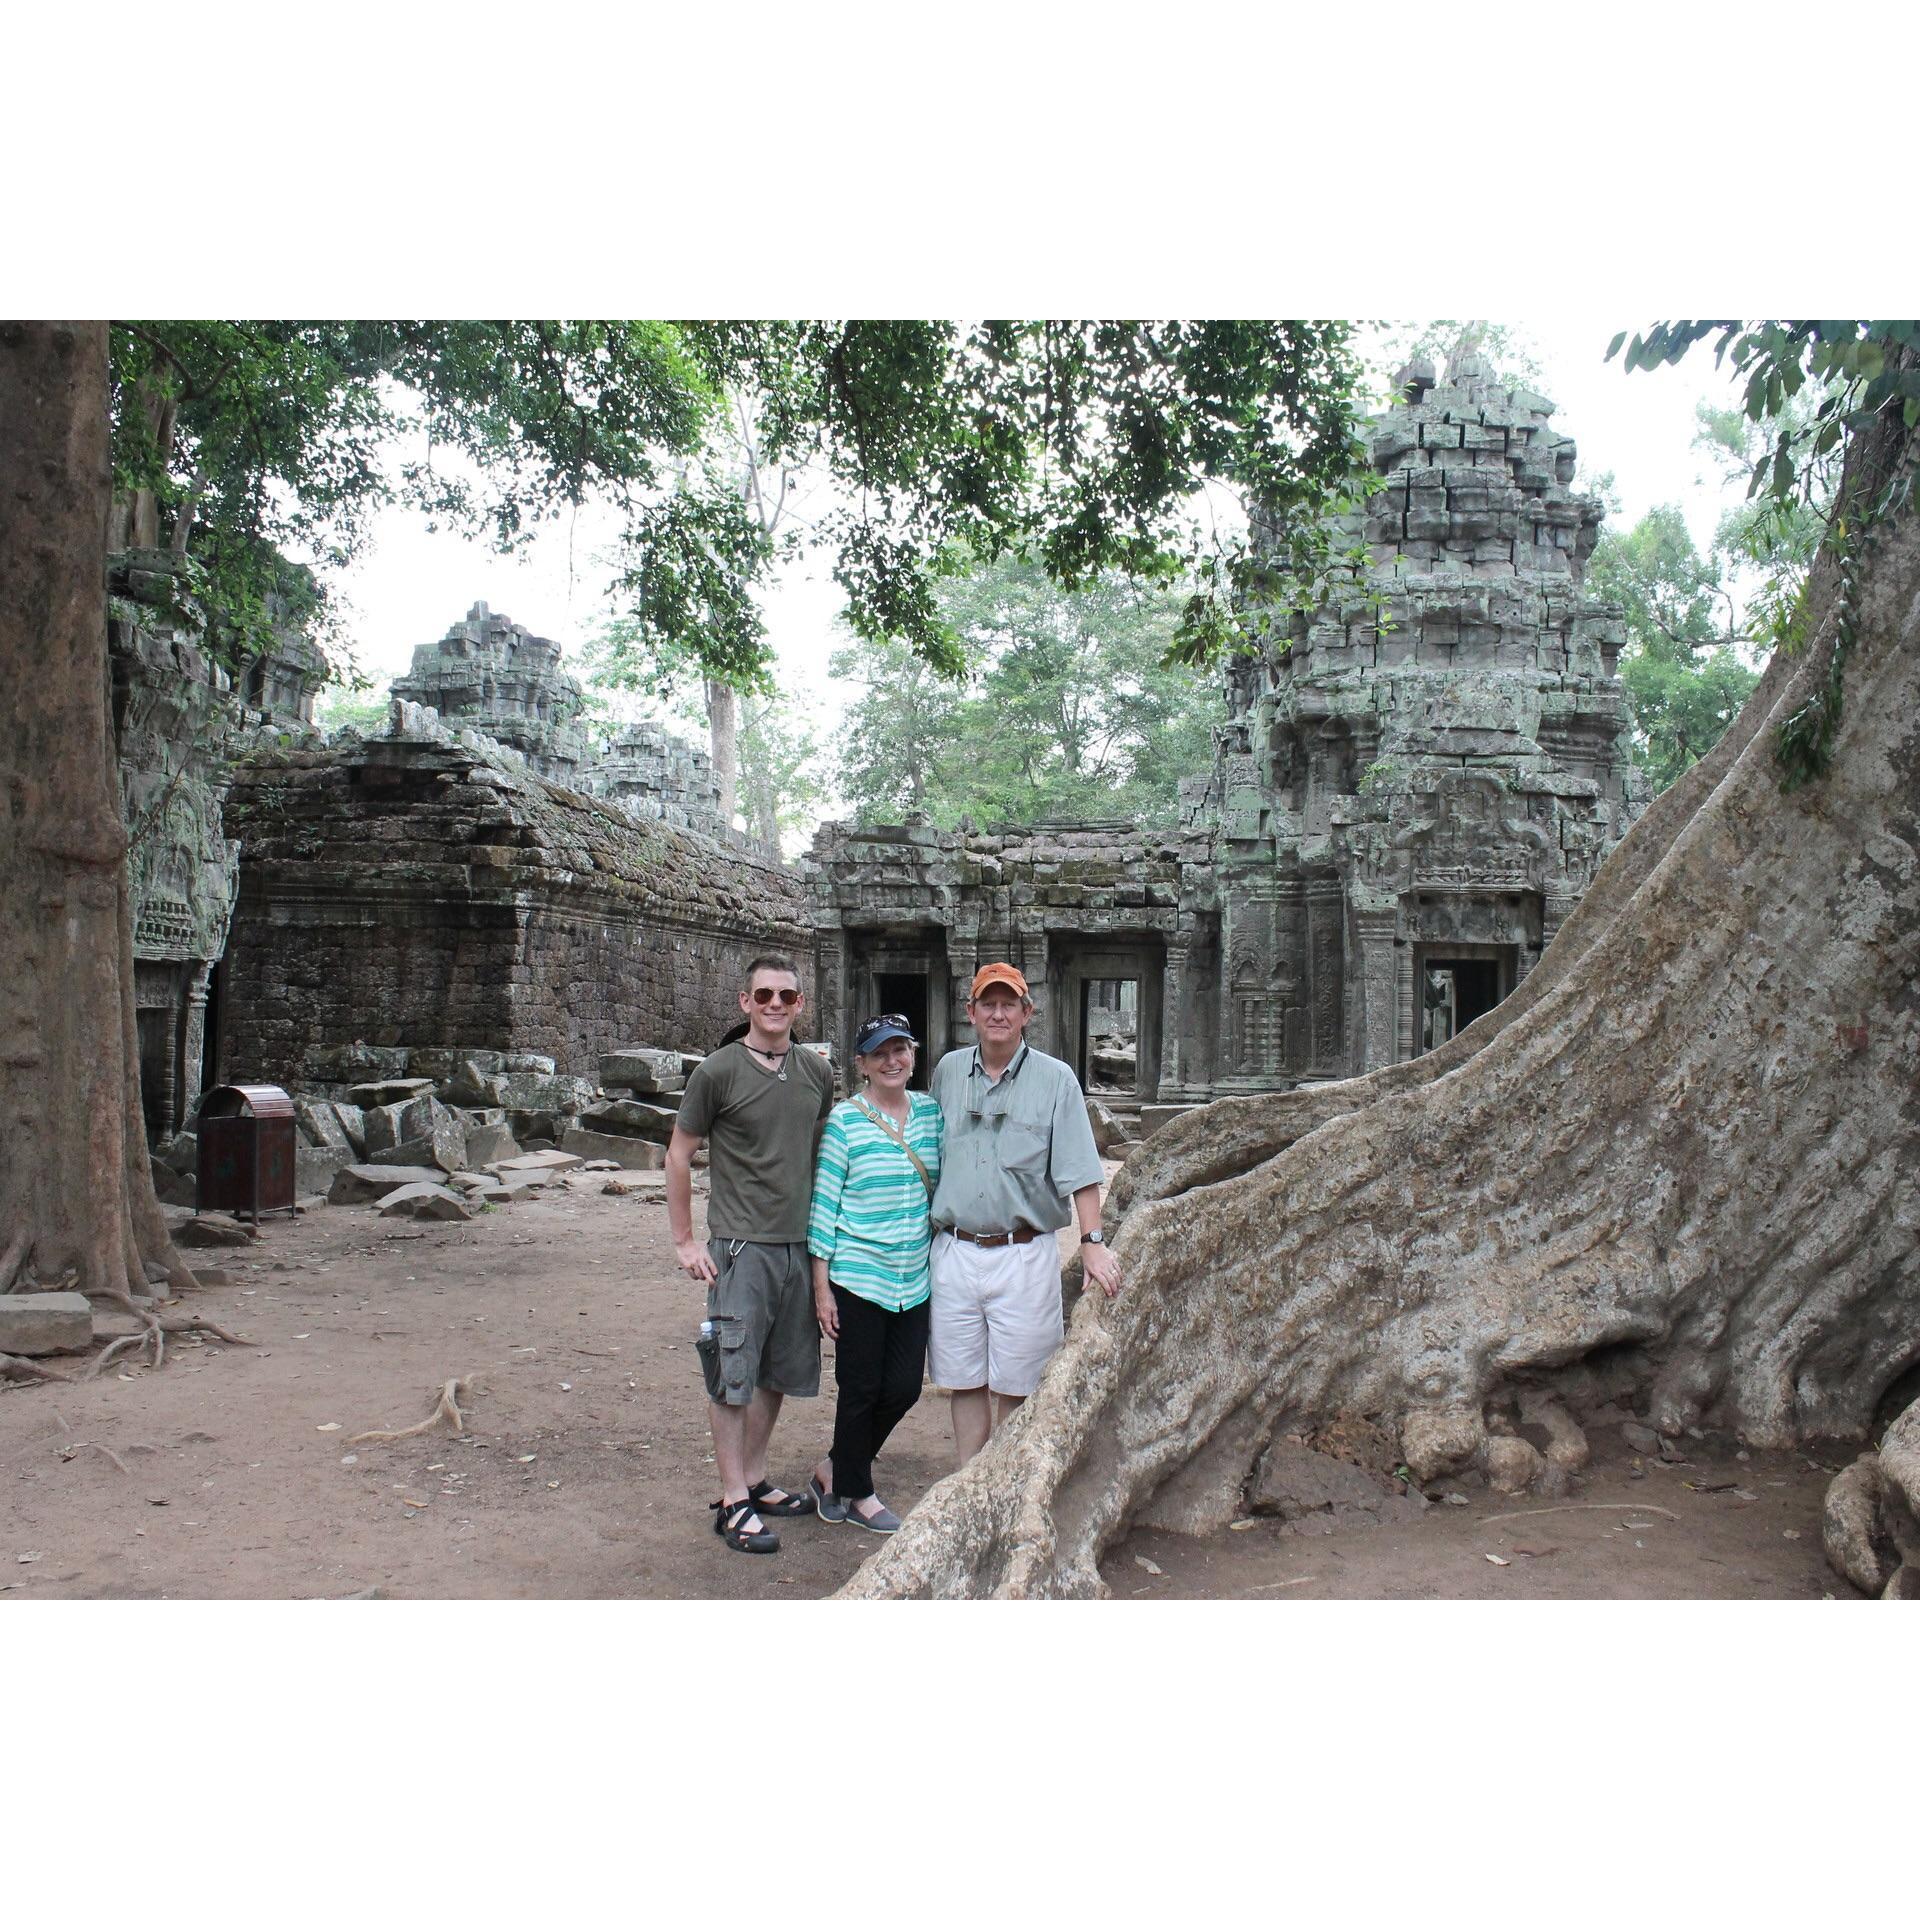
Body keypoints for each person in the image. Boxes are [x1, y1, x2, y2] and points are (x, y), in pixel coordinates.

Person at [668, 954, 835, 1554]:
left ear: (800, 1005)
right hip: (741, 1246)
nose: (774, 1005)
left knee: (779, 1371)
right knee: (732, 1373)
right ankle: (733, 1497)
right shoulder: (717, 1072)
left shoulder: (816, 1073)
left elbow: (818, 1156)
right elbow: (679, 1155)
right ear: (744, 1002)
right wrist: (685, 1240)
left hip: (799, 1243)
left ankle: (757, 1476)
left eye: (786, 997)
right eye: (763, 995)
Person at [927, 963, 1122, 1466]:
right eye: (987, 1004)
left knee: (1020, 1382)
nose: (997, 1014)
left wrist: (1092, 1241)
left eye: (1008, 1004)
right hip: (954, 1248)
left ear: (1026, 1013)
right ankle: (971, 1481)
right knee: (964, 1378)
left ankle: (1007, 1483)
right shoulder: (948, 1072)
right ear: (970, 1012)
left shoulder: (1056, 1080)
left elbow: (1081, 1169)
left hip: (1023, 1252)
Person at [806, 1014, 944, 1533]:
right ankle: (857, 1491)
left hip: (914, 1276)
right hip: (858, 1275)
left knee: (905, 1386)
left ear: (913, 1056)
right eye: (879, 1054)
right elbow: (824, 1204)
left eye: (900, 1050)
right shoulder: (845, 1121)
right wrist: (822, 1287)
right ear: (861, 1064)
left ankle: (833, 1469)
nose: (892, 1061)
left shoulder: (931, 1115)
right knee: (860, 1386)